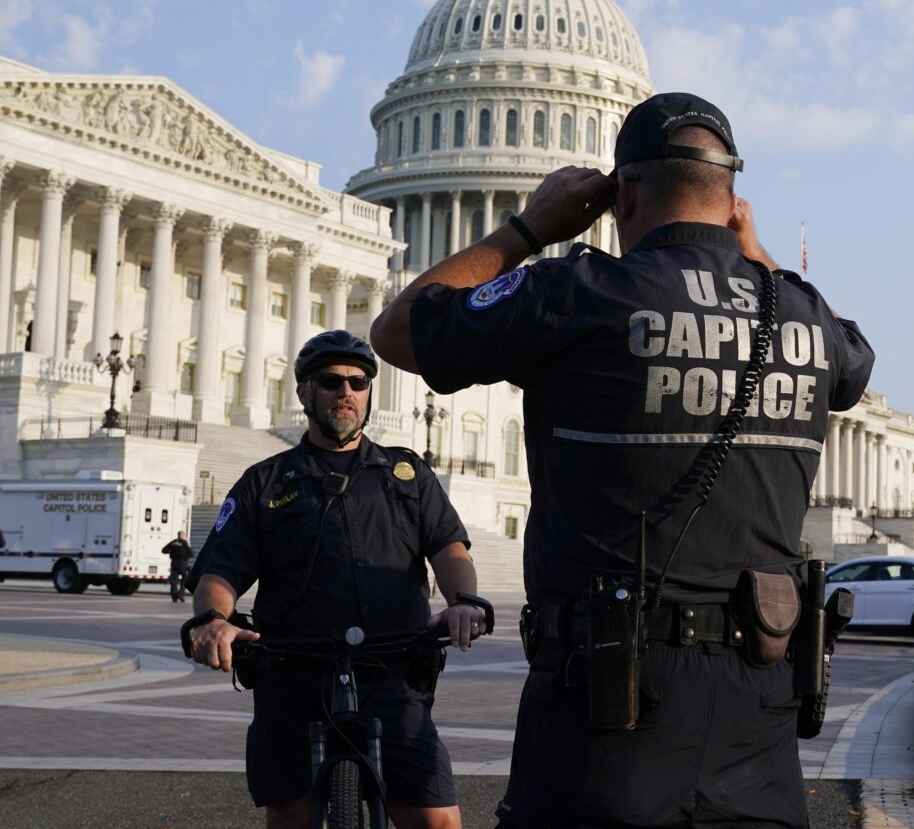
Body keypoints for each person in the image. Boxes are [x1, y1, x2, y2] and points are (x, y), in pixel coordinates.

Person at [371, 92, 875, 828]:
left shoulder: (578, 291)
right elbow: (855, 366)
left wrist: (530, 226)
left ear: (622, 193)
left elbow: (398, 331)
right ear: (732, 198)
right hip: (760, 696)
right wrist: (754, 252)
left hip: (609, 700)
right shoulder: (799, 315)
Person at [183, 329, 484, 829]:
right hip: (293, 668)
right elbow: (219, 570)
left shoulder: (406, 474)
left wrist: (465, 600)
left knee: (438, 821)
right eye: (330, 381)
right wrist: (213, 619)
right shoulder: (266, 481)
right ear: (304, 392)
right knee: (291, 814)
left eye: (358, 382)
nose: (346, 392)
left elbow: (450, 549)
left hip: (392, 666)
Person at [161, 529, 192, 603]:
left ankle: (174, 596)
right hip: (183, 564)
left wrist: (171, 552)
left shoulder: (173, 542)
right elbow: (191, 554)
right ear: (183, 536)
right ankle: (181, 595)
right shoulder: (185, 543)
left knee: (174, 581)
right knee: (184, 580)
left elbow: (164, 550)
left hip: (174, 564)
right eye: (185, 535)